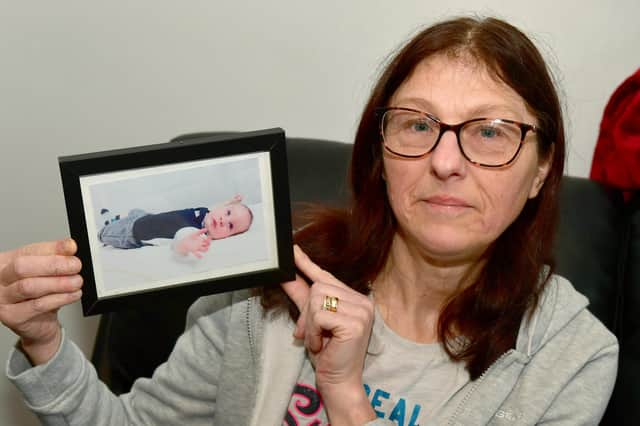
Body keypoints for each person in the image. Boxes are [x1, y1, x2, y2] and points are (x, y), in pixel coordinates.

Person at [1, 16, 617, 425]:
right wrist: (44, 343)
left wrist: (344, 393)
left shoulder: (570, 357)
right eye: (418, 125)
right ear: (379, 153)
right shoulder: (271, 283)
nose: (445, 162)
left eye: (490, 131)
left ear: (542, 170)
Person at [98, 194, 253, 258]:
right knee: (135, 211)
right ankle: (115, 219)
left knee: (102, 234)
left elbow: (180, 240)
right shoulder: (208, 212)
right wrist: (231, 203)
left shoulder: (197, 233)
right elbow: (220, 207)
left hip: (132, 233)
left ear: (229, 237)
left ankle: (110, 223)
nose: (222, 220)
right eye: (227, 213)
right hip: (145, 217)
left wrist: (186, 246)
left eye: (230, 226)